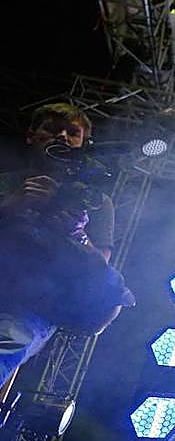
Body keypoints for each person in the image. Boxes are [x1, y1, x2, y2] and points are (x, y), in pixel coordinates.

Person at [0, 103, 127, 389]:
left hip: (31, 303)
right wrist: (14, 204)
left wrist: (77, 233)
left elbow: (101, 263)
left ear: (82, 144)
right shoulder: (7, 182)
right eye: (52, 129)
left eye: (72, 133)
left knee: (9, 338)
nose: (62, 137)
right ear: (32, 135)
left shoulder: (95, 200)